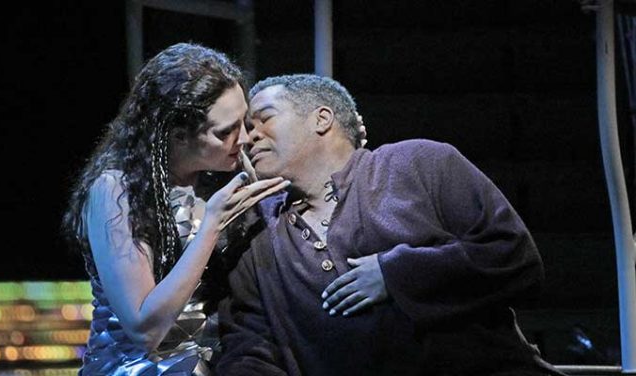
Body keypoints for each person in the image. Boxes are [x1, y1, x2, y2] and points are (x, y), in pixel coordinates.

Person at [215, 74, 566, 375]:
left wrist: (396, 274)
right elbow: (248, 341)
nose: (248, 138)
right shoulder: (257, 228)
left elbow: (515, 257)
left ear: (321, 119)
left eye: (264, 118)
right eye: (247, 128)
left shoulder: (418, 163)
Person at [61, 43, 290, 375]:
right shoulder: (117, 189)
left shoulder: (218, 176)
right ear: (178, 136)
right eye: (226, 131)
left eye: (245, 120)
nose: (244, 138)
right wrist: (211, 225)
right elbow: (144, 330)